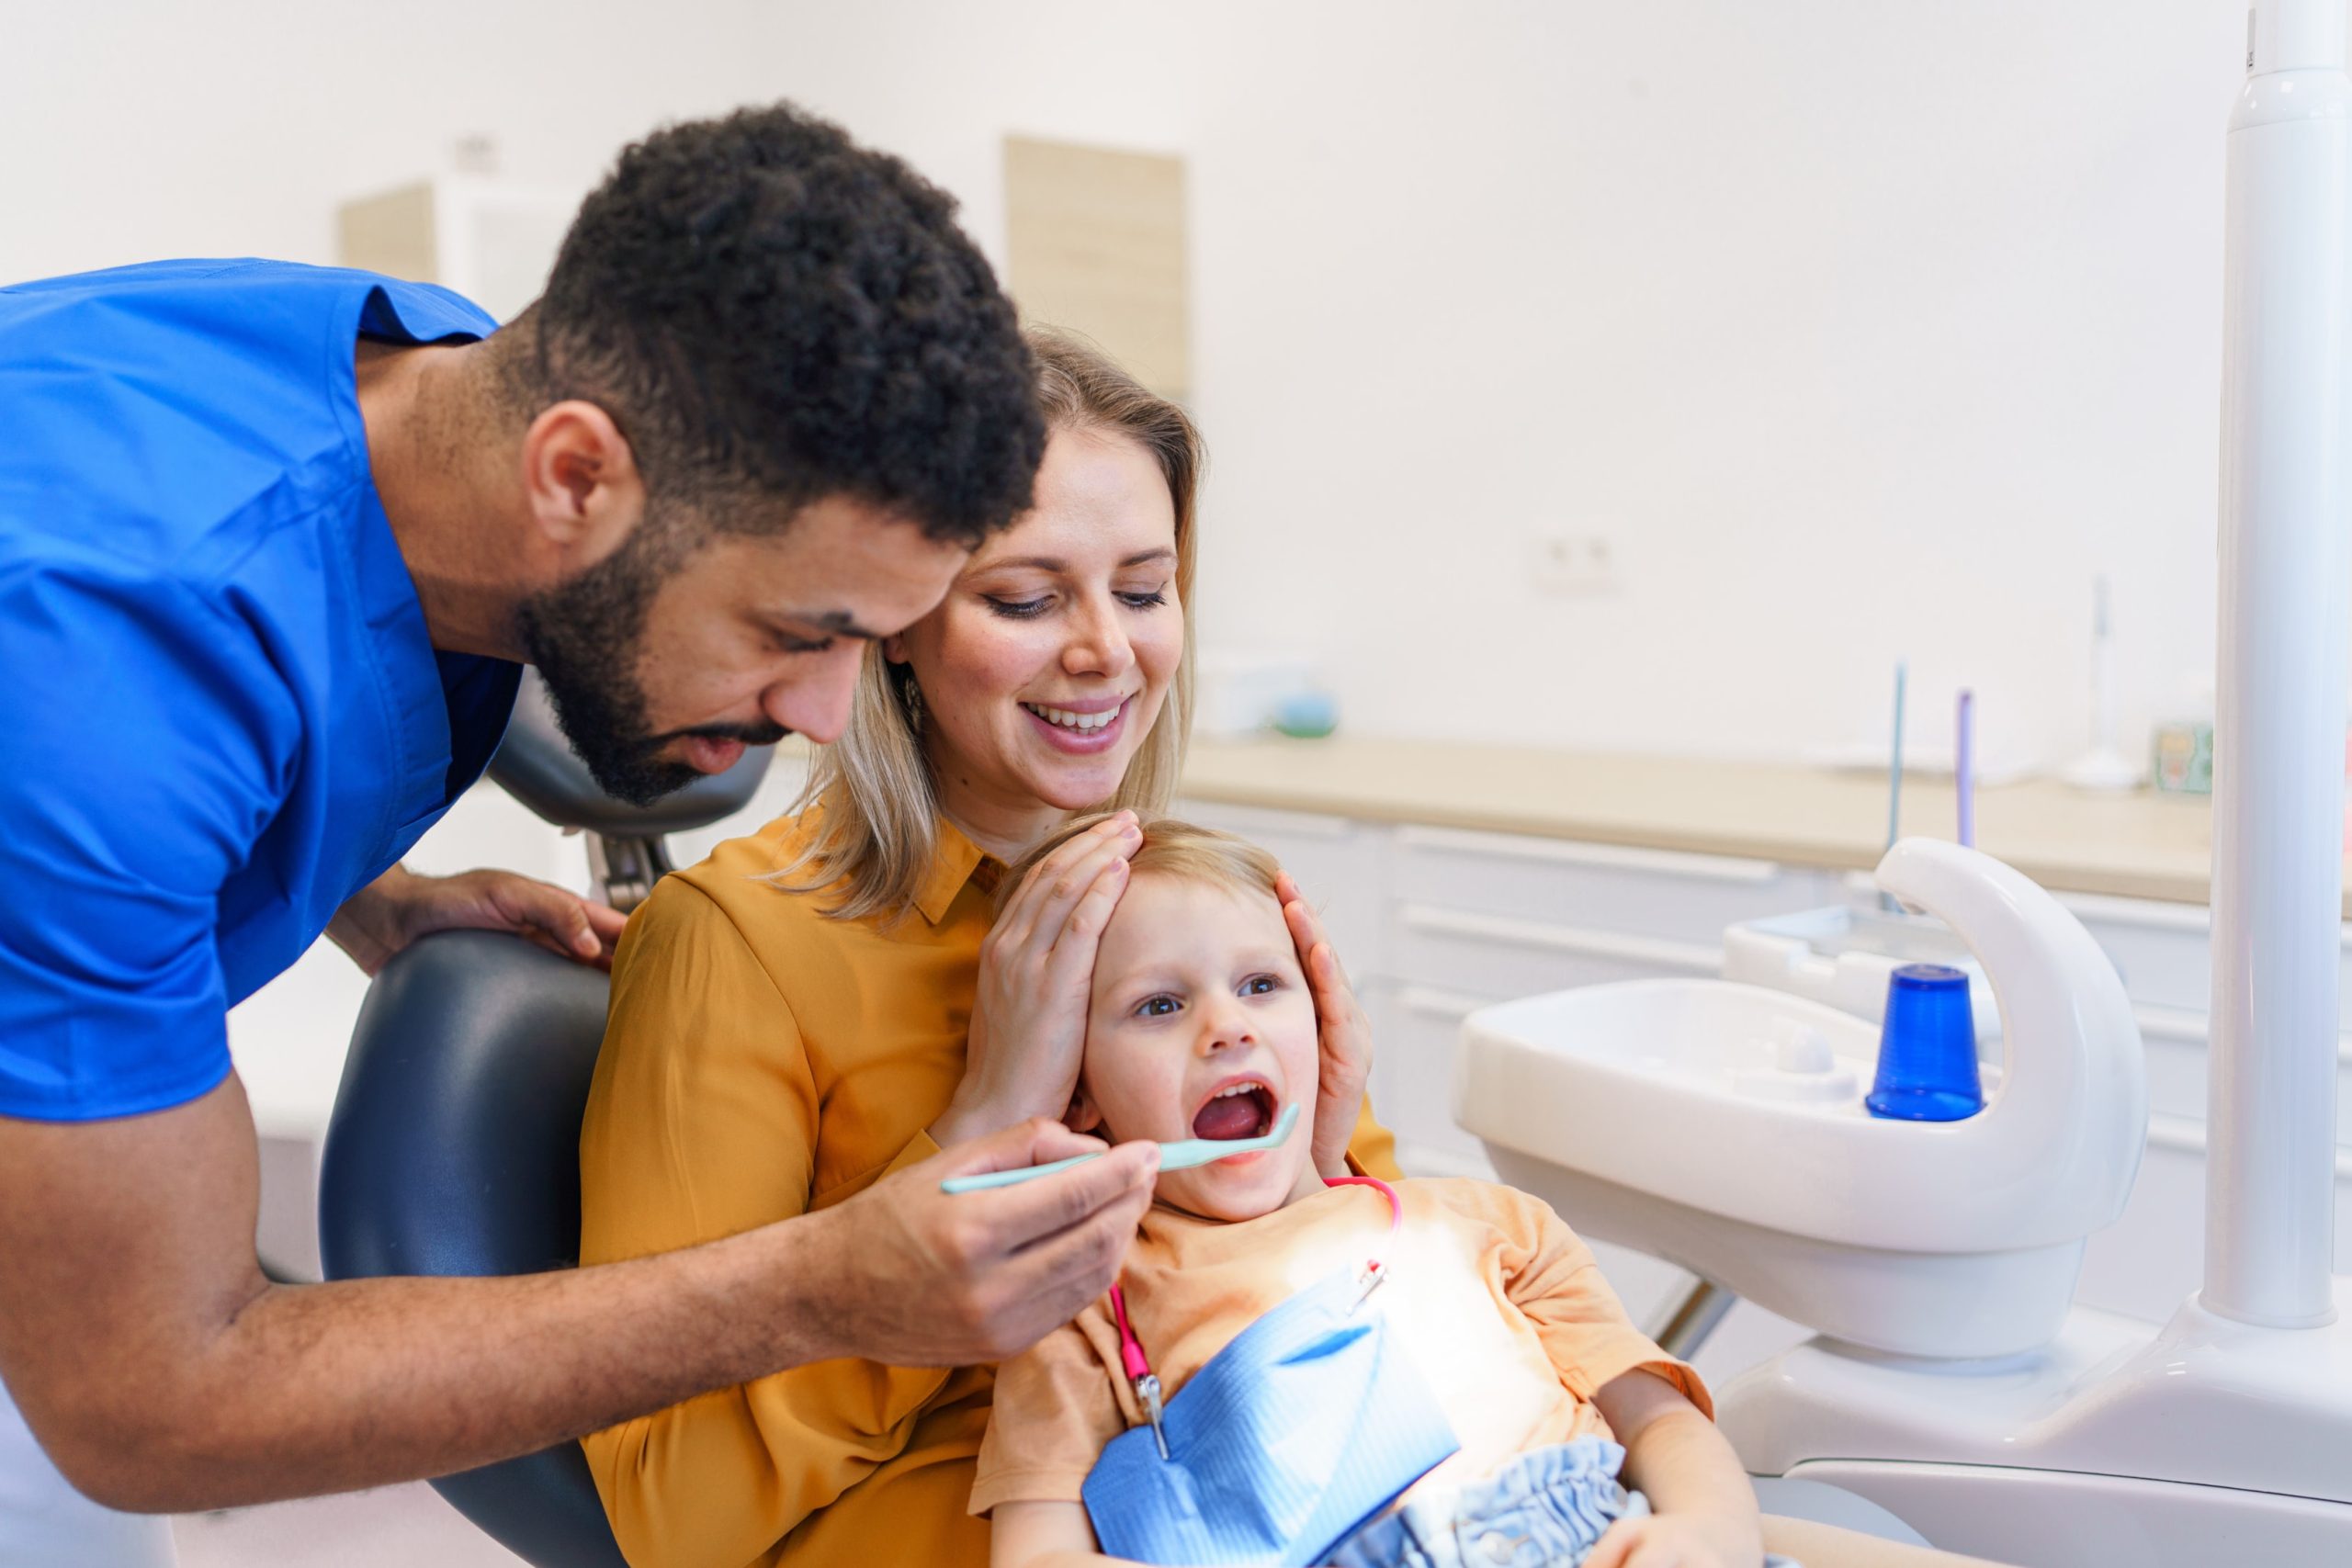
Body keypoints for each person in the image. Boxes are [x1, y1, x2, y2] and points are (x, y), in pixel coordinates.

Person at [0, 104, 1160, 1564]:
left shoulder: (429, 379)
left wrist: (368, 887)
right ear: (572, 477)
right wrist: (820, 1285)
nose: (821, 711)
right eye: (797, 629)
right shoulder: (95, 677)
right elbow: (149, 1406)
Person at [579, 332, 1398, 1568]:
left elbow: (1372, 1309)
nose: (1106, 652)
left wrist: (1324, 1166)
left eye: (1142, 588)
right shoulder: (737, 945)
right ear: (892, 622)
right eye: (1025, 597)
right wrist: (982, 1128)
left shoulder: (1203, 911)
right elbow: (664, 1513)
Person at [975, 818, 2019, 1568]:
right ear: (1082, 1094)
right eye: (1160, 1004)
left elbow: (1662, 1428)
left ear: (1322, 1017)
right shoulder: (1080, 1311)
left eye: (1260, 984)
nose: (1227, 1027)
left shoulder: (1486, 1226)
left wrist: (1705, 1532)